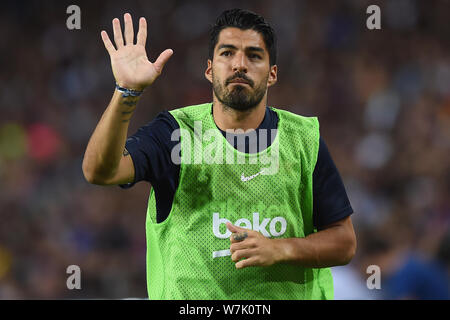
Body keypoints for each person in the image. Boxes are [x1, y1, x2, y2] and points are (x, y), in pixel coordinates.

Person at [82, 8, 356, 300]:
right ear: (210, 69)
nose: (240, 64)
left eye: (254, 55)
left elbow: (344, 242)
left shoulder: (303, 139)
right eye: (227, 53)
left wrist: (281, 248)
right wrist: (126, 91)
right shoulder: (175, 134)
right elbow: (100, 172)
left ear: (272, 73)